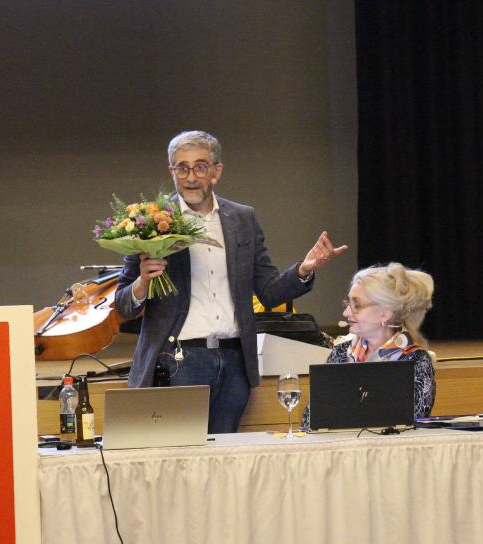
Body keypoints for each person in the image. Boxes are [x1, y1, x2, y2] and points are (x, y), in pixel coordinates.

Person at [114, 130, 347, 433]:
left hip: (234, 362)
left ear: (216, 171)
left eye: (200, 167)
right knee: (180, 455)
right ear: (171, 171)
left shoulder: (242, 218)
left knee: (225, 454)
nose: (191, 177)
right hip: (178, 362)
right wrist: (143, 281)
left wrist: (304, 269)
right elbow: (123, 305)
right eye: (182, 168)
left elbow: (268, 291)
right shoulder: (150, 220)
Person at [303, 263, 436, 428]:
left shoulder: (415, 361)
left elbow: (411, 425)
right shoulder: (341, 353)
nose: (346, 312)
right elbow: (309, 421)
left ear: (385, 313)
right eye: (348, 304)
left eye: (357, 305)